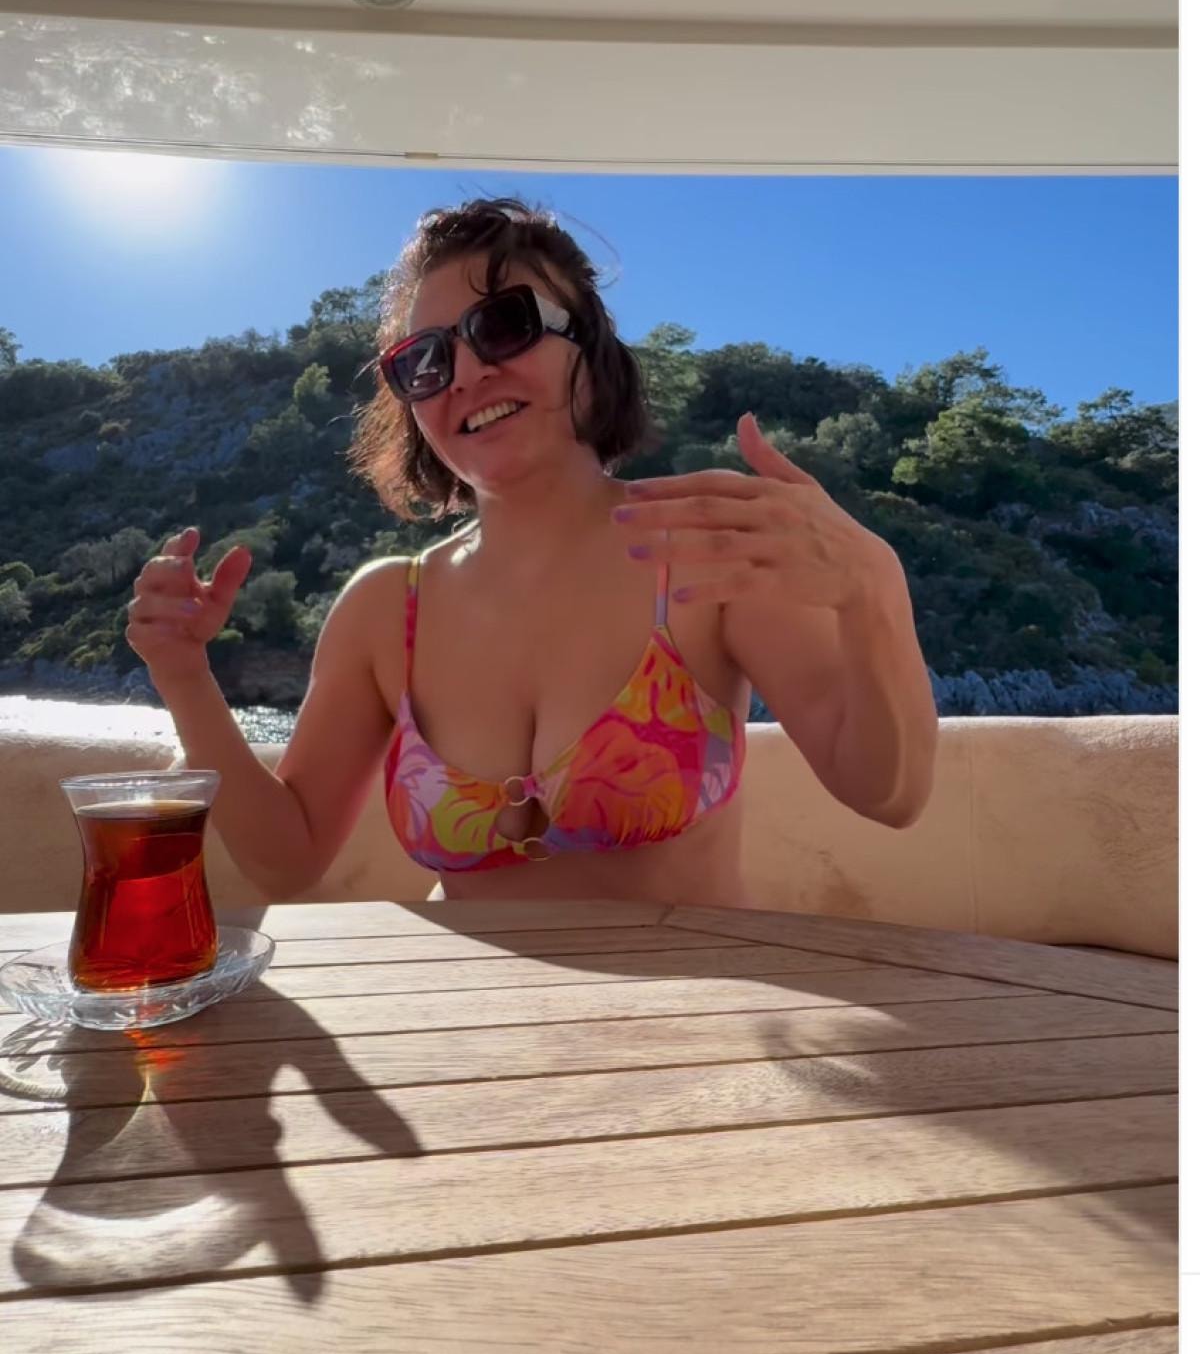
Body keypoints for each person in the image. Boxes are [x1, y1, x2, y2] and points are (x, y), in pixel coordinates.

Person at [126, 196, 937, 907]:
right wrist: (184, 676)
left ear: (588, 347)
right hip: (469, 1027)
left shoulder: (701, 548)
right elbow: (288, 858)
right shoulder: (385, 609)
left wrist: (873, 586)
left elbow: (889, 793)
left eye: (503, 324)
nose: (466, 373)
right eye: (424, 360)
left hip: (694, 1025)